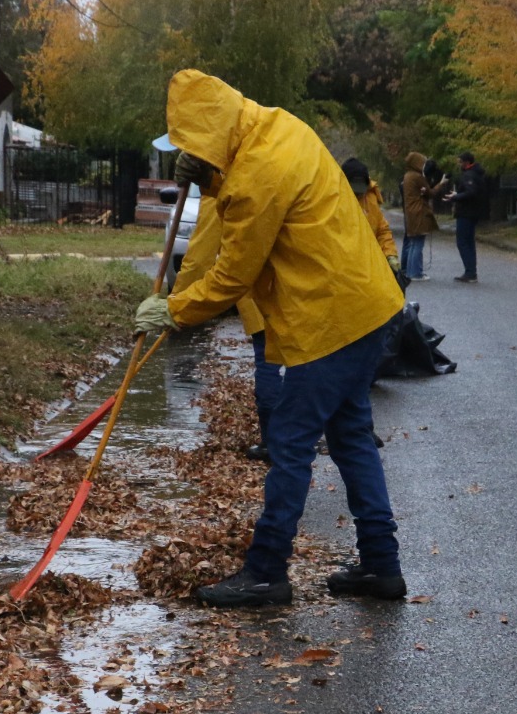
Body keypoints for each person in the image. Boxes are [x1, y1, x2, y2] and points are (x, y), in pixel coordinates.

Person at [133, 69, 407, 608]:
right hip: (367, 308)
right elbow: (246, 203)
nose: (189, 156)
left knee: (289, 443)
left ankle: (265, 572)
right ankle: (381, 565)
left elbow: (235, 270)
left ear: (210, 134)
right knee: (351, 437)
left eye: (191, 145)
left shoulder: (260, 172)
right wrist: (211, 179)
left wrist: (173, 310)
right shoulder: (275, 128)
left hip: (329, 319)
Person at [171, 195, 278, 461]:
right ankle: (343, 428)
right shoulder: (265, 172)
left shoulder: (219, 191)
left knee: (269, 363)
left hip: (262, 290)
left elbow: (199, 260)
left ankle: (274, 442)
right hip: (300, 289)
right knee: (312, 365)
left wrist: (172, 308)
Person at [340, 157, 401, 275]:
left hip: (369, 265)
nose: (359, 192)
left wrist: (390, 255)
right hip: (344, 269)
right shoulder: (334, 200)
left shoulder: (371, 199)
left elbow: (382, 230)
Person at [401, 152, 450, 280]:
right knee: (418, 243)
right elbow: (431, 193)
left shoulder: (407, 176)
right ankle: (415, 273)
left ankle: (410, 271)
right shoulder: (417, 177)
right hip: (419, 212)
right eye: (422, 162)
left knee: (413, 243)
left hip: (410, 212)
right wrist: (441, 183)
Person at [446, 151, 488, 283]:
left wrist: (456, 197)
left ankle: (470, 272)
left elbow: (471, 192)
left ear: (467, 162)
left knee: (463, 242)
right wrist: (458, 193)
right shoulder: (477, 173)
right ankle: (471, 271)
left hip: (466, 213)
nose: (459, 164)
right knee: (469, 242)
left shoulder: (469, 175)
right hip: (473, 212)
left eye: (460, 162)